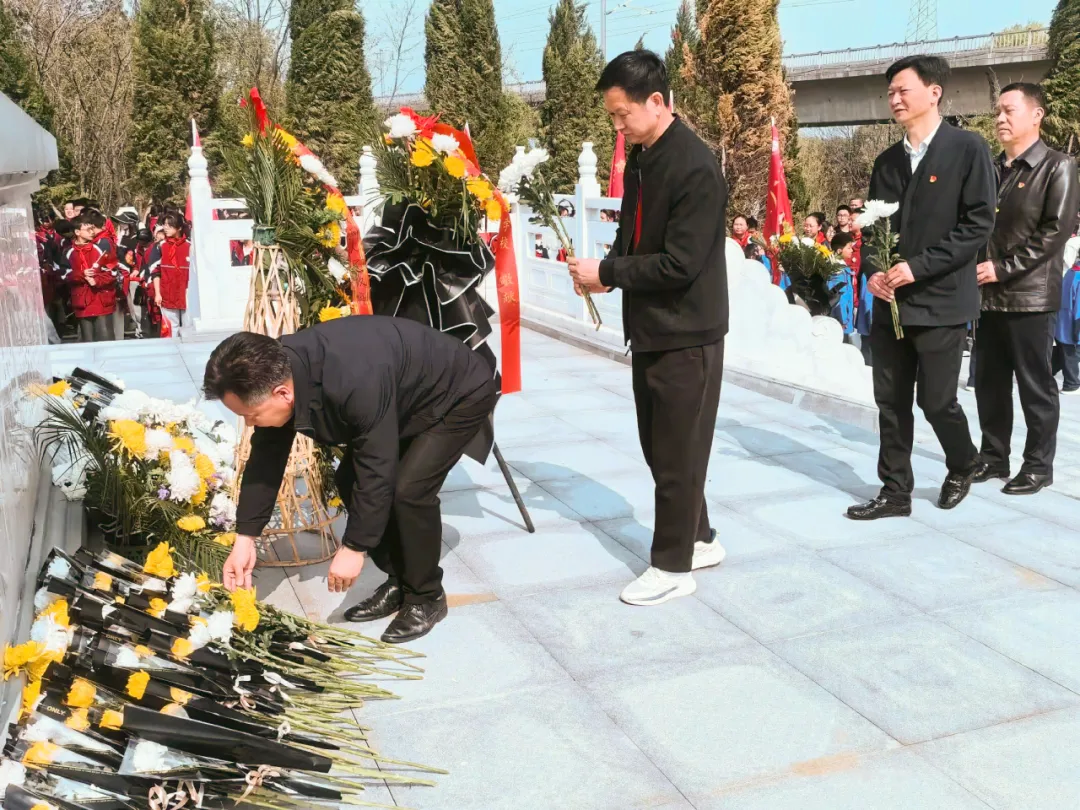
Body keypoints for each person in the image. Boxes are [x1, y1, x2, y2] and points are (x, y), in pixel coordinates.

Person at [204, 317, 499, 643]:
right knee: (349, 480)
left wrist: (354, 547)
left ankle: (426, 597)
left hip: (458, 392)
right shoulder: (281, 373)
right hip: (403, 394)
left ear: (283, 393)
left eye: (250, 415)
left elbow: (377, 467)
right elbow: (265, 460)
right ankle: (401, 579)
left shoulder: (353, 380)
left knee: (409, 492)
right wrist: (245, 538)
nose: (249, 423)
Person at [568, 49, 728, 606]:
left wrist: (610, 272)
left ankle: (671, 567)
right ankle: (699, 538)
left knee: (677, 454)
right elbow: (632, 235)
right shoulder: (643, 157)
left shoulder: (694, 166)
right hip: (653, 327)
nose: (618, 126)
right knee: (663, 449)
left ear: (656, 102)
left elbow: (680, 263)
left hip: (688, 332)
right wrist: (603, 274)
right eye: (612, 116)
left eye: (622, 114)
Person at [847, 54, 995, 521]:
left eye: (902, 90)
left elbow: (977, 225)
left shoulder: (967, 149)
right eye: (890, 92)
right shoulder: (887, 162)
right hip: (891, 303)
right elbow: (874, 227)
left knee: (936, 400)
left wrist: (918, 267)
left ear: (934, 92)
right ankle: (895, 492)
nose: (894, 98)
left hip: (941, 300)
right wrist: (873, 270)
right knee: (890, 401)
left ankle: (965, 461)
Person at [972, 82, 1080, 495]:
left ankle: (1037, 465)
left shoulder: (1057, 166)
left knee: (1035, 386)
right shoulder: (991, 169)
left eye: (1009, 110)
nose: (1000, 118)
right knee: (989, 382)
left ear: (1036, 115)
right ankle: (993, 456)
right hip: (987, 295)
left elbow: (1054, 232)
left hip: (1029, 297)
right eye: (997, 111)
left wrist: (1002, 269)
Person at [66, 212, 118, 342]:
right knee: (87, 342)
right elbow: (62, 275)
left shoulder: (100, 248)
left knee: (105, 339)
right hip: (82, 302)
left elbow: (113, 272)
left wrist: (97, 280)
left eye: (92, 228)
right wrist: (81, 274)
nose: (92, 232)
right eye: (88, 229)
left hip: (101, 301)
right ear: (77, 232)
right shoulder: (69, 252)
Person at [147, 212, 191, 336]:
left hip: (187, 296)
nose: (165, 228)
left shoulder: (190, 246)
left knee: (189, 329)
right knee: (170, 330)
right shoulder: (160, 247)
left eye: (169, 225)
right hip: (168, 295)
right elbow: (155, 272)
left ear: (179, 227)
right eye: (164, 224)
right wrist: (158, 293)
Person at [830, 232, 856, 340]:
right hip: (839, 321)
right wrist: (842, 319)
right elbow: (839, 298)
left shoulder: (842, 268)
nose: (852, 250)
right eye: (849, 248)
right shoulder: (837, 272)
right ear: (839, 251)